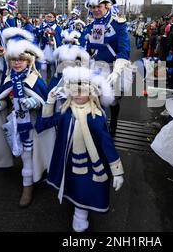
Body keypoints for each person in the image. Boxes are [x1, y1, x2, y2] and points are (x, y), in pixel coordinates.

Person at [35, 66, 123, 232]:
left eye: (82, 91)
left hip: (90, 165)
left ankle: (80, 217)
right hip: (67, 161)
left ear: (92, 92)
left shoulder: (96, 117)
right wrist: (50, 101)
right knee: (72, 186)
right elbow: (43, 124)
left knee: (84, 189)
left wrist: (117, 171)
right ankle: (77, 209)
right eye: (73, 90)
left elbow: (107, 144)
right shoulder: (65, 112)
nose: (77, 95)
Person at [0, 28, 49, 208]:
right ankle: (31, 179)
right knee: (24, 155)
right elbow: (4, 101)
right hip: (15, 122)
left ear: (29, 61)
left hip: (34, 124)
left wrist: (33, 102)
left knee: (29, 156)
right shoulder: (8, 79)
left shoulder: (36, 80)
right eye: (13, 60)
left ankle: (27, 187)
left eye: (21, 59)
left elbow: (46, 102)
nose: (17, 63)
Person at [82, 0, 131, 135]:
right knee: (95, 100)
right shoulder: (89, 27)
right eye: (93, 6)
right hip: (96, 68)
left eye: (99, 6)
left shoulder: (118, 24)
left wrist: (117, 72)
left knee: (113, 100)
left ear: (108, 5)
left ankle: (114, 124)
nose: (96, 10)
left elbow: (124, 50)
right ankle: (99, 127)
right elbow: (85, 50)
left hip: (114, 68)